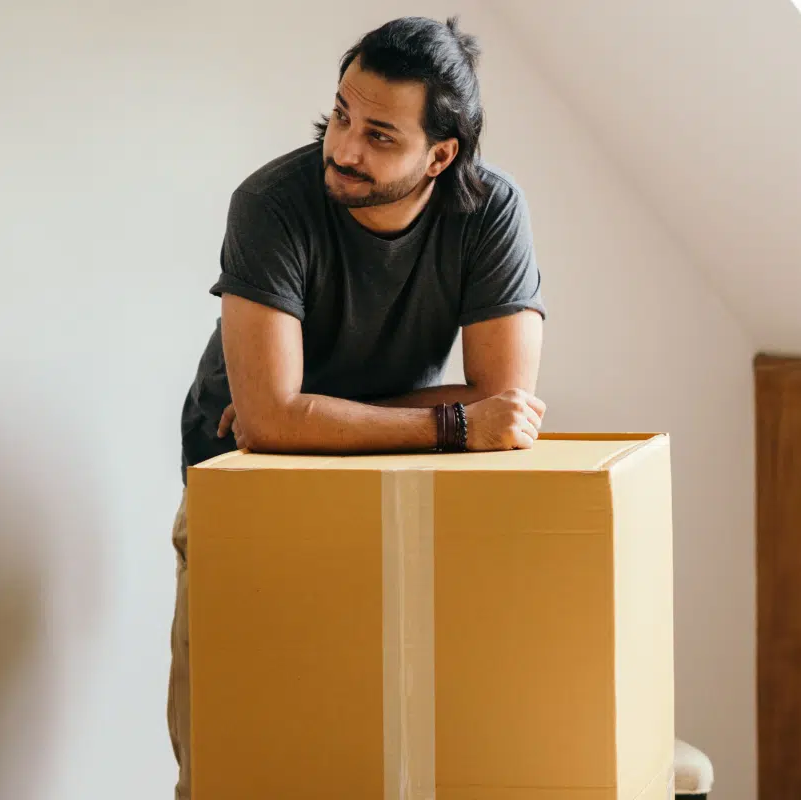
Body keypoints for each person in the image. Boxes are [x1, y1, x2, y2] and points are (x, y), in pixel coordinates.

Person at [167, 16, 547, 799]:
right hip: (241, 481)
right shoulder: (271, 203)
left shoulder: (490, 211)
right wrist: (447, 423)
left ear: (441, 154)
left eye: (380, 135)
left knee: (367, 753)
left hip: (392, 482)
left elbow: (502, 405)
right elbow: (268, 423)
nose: (344, 148)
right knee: (231, 759)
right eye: (342, 114)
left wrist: (313, 415)